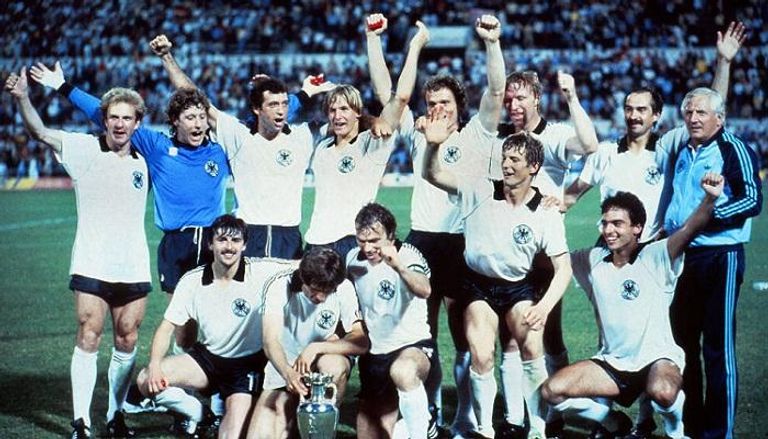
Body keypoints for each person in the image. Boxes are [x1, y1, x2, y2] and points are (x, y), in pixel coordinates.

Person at [366, 13, 506, 436]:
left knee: (463, 336)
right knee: (422, 336)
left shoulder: (476, 134)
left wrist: (492, 43)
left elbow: (496, 90)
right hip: (422, 242)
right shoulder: (418, 133)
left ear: (459, 107)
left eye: (445, 103)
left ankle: (464, 416)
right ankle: (430, 415)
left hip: (463, 242)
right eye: (432, 104)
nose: (437, 110)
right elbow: (389, 95)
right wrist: (381, 42)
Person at [30, 63, 230, 349]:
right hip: (176, 244)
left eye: (201, 117)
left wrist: (296, 97)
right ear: (175, 121)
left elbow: (258, 134)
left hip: (214, 241)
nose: (198, 124)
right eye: (190, 117)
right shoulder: (156, 146)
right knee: (184, 323)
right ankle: (183, 371)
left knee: (217, 317)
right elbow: (107, 116)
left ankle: (219, 374)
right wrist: (63, 86)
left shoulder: (221, 150)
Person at [6, 69, 151, 438]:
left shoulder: (145, 159)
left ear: (137, 123)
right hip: (92, 262)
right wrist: (23, 98)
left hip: (133, 265)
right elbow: (40, 132)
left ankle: (116, 416)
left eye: (127, 118)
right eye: (113, 117)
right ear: (104, 119)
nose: (119, 124)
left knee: (128, 338)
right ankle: (81, 422)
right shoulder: (83, 148)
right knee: (89, 334)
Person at [542, 176, 724, 438]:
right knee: (551, 391)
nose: (608, 230)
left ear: (637, 227)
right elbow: (554, 262)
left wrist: (710, 198)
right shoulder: (592, 259)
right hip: (612, 364)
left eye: (617, 223)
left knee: (663, 392)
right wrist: (541, 211)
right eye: (605, 223)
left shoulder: (657, 255)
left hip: (657, 360)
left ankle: (677, 432)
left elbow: (690, 229)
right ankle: (612, 421)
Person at [424, 122, 572, 438]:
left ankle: (537, 429)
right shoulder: (480, 190)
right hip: (477, 285)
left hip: (518, 287)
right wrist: (433, 145)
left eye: (515, 159)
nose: (506, 164)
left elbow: (564, 268)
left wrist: (543, 307)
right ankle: (485, 430)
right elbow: (433, 175)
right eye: (504, 158)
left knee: (532, 345)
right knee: (481, 353)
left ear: (534, 167)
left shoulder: (545, 211)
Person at [149, 34, 335, 260]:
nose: (281, 110)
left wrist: (318, 93)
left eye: (285, 104)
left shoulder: (302, 135)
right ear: (257, 109)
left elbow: (348, 120)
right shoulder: (237, 134)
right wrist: (166, 57)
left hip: (289, 238)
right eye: (273, 104)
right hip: (248, 235)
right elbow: (195, 96)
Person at [494, 67, 599, 438]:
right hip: (507, 252)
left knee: (549, 335)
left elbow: (590, 145)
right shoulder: (500, 136)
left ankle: (552, 415)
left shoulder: (553, 135)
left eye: (521, 97)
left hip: (544, 255)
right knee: (508, 338)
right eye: (509, 98)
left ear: (537, 99)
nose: (513, 104)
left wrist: (571, 97)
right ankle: (514, 418)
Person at [663, 87, 762, 438]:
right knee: (683, 347)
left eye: (701, 112)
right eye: (689, 112)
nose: (693, 118)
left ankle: (720, 433)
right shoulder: (683, 151)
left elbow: (752, 198)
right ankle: (692, 427)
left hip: (721, 256)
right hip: (683, 258)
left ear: (719, 118)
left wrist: (709, 215)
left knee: (718, 349)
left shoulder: (734, 148)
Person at [135, 214, 286, 438]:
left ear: (244, 245)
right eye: (222, 240)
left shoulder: (262, 271)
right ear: (210, 244)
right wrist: (155, 364)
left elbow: (301, 266)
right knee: (145, 380)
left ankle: (232, 411)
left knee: (231, 436)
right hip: (208, 360)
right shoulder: (192, 281)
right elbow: (166, 328)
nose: (229, 247)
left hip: (244, 369)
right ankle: (199, 413)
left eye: (235, 241)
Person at [303, 20, 429, 259]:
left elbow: (399, 98)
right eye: (332, 110)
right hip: (315, 242)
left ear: (358, 112)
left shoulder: (373, 144)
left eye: (344, 109)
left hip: (353, 242)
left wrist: (374, 39)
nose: (338, 115)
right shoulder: (321, 145)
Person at [248, 247, 368, 438]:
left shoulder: (343, 286)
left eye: (327, 292)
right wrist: (288, 373)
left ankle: (323, 430)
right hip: (286, 370)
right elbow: (270, 341)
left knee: (333, 366)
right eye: (315, 290)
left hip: (321, 366)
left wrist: (316, 348)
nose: (321, 298)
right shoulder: (280, 284)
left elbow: (361, 340)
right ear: (303, 278)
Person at [346, 202, 436, 439]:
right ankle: (422, 419)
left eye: (374, 241)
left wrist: (398, 266)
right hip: (375, 354)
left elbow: (425, 289)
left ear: (391, 236)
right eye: (361, 240)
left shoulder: (408, 255)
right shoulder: (352, 259)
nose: (368, 248)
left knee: (403, 371)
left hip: (412, 346)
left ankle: (420, 433)